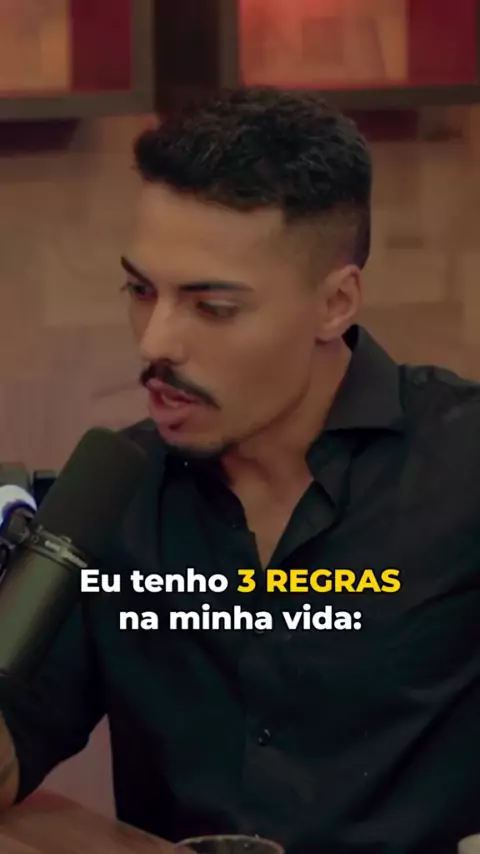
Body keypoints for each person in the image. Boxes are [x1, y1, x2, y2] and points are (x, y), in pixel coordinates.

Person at [0, 86, 479, 854]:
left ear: (336, 303)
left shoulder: (461, 466)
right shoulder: (112, 495)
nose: (156, 342)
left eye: (212, 307)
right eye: (141, 290)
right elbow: (14, 744)